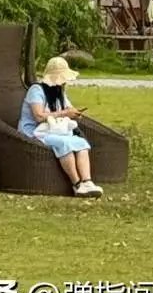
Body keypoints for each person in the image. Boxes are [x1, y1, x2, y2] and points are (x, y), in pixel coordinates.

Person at [18, 55, 102, 196]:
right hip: (34, 132)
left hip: (54, 131)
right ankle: (76, 184)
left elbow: (68, 109)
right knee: (64, 143)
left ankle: (87, 181)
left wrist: (75, 113)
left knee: (81, 143)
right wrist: (64, 113)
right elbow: (38, 116)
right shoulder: (36, 90)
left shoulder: (59, 93)